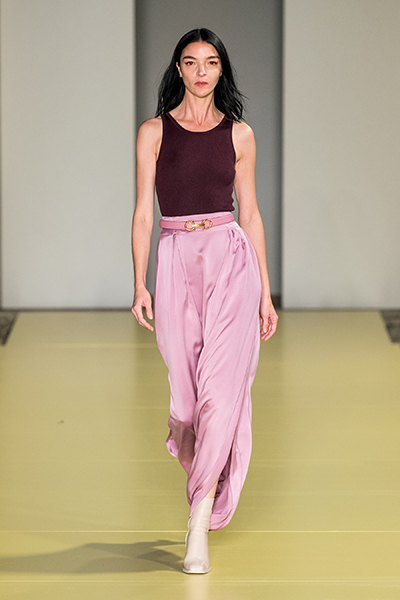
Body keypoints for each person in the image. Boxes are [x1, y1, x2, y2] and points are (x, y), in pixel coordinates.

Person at [131, 27, 278, 574]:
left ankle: (197, 526)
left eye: (211, 62)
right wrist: (140, 282)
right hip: (175, 263)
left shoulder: (240, 135)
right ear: (178, 69)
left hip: (231, 262)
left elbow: (251, 214)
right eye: (191, 62)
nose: (201, 71)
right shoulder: (154, 133)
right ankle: (202, 488)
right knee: (189, 406)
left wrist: (265, 292)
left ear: (221, 70)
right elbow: (143, 213)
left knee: (219, 395)